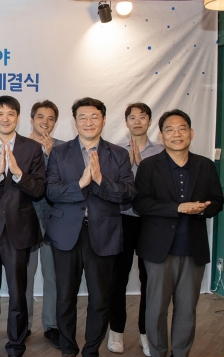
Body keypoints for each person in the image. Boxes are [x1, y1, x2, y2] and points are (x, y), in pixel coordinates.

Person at [46, 97, 136, 357]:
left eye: (94, 116)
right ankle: (68, 349)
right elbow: (51, 191)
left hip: (103, 234)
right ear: (74, 121)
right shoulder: (59, 153)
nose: (88, 121)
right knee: (65, 298)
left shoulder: (118, 155)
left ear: (104, 120)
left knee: (100, 299)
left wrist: (100, 180)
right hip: (66, 235)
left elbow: (129, 193)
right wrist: (81, 183)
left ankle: (91, 350)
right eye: (82, 117)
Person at [133, 109, 224, 357]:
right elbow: (140, 203)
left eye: (182, 128)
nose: (177, 134)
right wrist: (177, 208)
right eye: (170, 130)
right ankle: (158, 352)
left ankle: (181, 353)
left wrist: (204, 209)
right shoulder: (149, 166)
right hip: (158, 250)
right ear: (161, 136)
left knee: (187, 309)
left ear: (191, 133)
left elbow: (218, 200)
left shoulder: (205, 165)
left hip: (193, 249)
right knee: (156, 308)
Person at [0, 96, 45, 357]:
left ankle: (15, 346)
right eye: (0, 113)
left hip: (19, 231)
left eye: (10, 114)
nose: (5, 118)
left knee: (17, 294)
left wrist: (18, 173)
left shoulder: (32, 149)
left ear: (18, 117)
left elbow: (38, 190)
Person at [107, 103, 163, 356]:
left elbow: (162, 189)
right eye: (132, 117)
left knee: (149, 280)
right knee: (117, 278)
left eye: (143, 117)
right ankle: (116, 331)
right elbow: (109, 187)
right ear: (126, 121)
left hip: (151, 221)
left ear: (150, 121)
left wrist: (140, 166)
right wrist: (128, 164)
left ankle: (146, 333)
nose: (137, 121)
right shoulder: (116, 150)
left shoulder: (161, 151)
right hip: (122, 219)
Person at [25, 100, 64, 350]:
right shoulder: (19, 145)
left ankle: (52, 325)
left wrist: (49, 155)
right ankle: (24, 323)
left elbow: (62, 183)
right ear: (32, 119)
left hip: (54, 221)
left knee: (53, 276)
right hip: (26, 219)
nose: (45, 122)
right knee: (24, 276)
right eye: (40, 117)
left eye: (50, 118)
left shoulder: (62, 149)